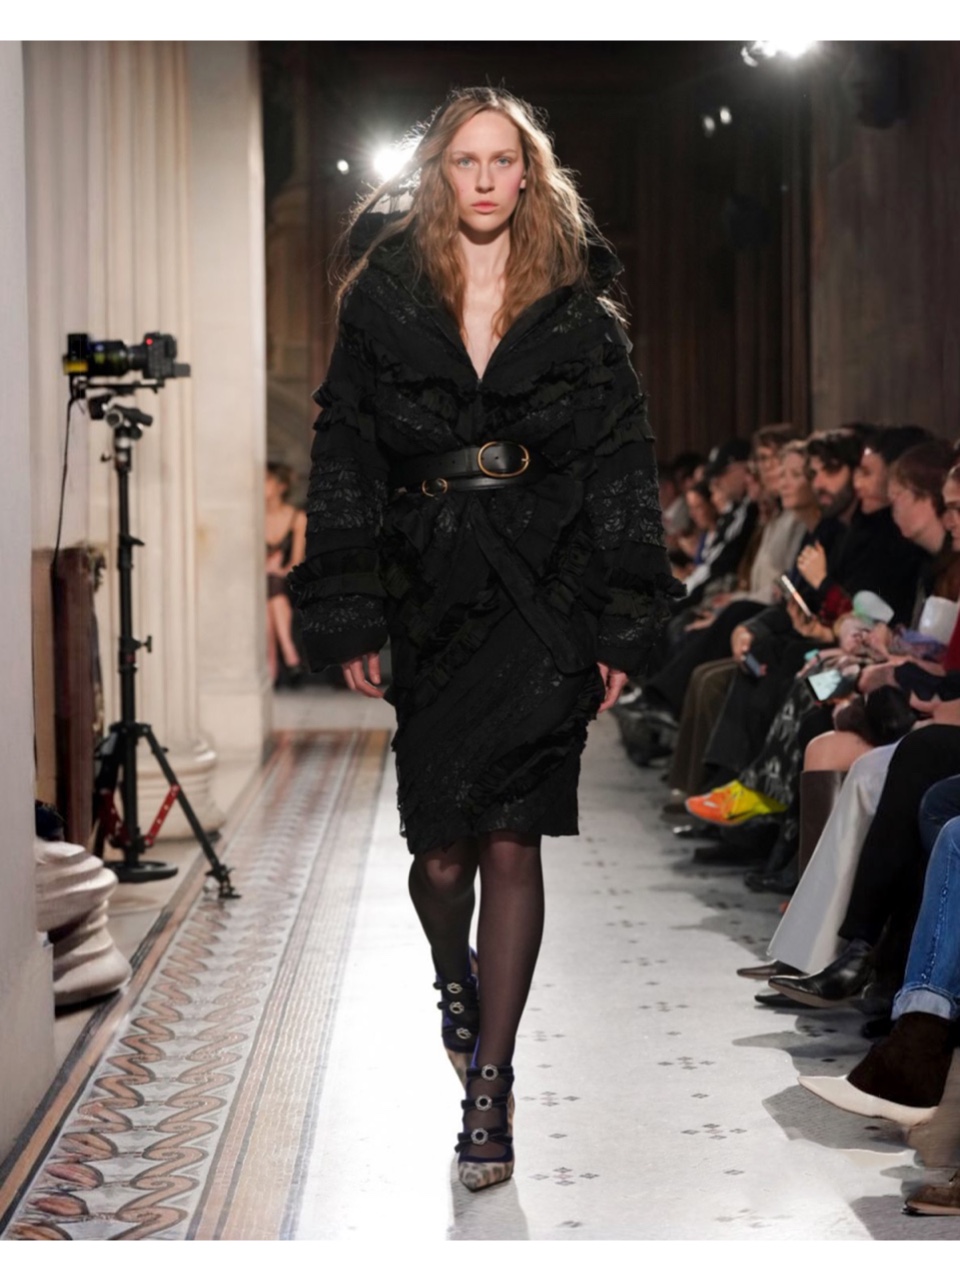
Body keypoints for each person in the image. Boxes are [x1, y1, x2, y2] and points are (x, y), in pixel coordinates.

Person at [287, 87, 676, 1192]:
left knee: (514, 840)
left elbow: (621, 464)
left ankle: (490, 1089)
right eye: (468, 160)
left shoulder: (579, 310)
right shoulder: (383, 299)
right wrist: (352, 603)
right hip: (429, 590)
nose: (488, 179)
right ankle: (450, 977)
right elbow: (345, 454)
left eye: (506, 160)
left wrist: (625, 614)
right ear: (440, 174)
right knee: (442, 852)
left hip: (546, 593)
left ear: (530, 174)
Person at [265, 461, 307, 686]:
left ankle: (272, 665)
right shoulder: (253, 517)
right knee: (269, 595)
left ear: (281, 486)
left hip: (289, 582)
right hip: (262, 584)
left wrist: (277, 570)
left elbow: (296, 562)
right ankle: (289, 654)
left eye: (266, 480)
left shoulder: (297, 518)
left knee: (273, 588)